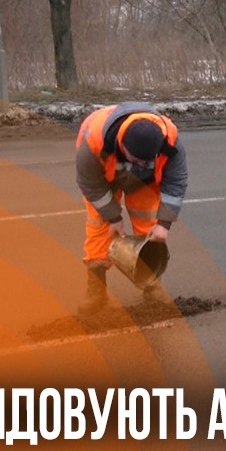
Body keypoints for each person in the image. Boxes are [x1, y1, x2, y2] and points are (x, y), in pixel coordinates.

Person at [75, 102, 187, 315]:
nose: (141, 166)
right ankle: (96, 292)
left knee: (148, 225)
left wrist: (164, 224)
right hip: (102, 178)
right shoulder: (93, 142)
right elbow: (90, 184)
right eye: (137, 161)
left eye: (147, 162)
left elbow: (176, 182)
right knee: (99, 227)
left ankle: (152, 286)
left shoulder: (170, 142)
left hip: (145, 183)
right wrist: (113, 217)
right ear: (122, 146)